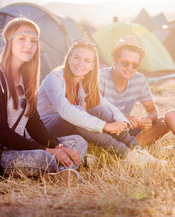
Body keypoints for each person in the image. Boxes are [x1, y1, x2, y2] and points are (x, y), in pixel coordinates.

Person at [0, 17, 86, 182]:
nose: (29, 44)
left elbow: (33, 122)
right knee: (46, 159)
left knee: (77, 142)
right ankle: (63, 168)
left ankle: (60, 174)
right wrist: (48, 151)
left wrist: (56, 146)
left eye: (34, 40)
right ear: (9, 42)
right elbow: (0, 132)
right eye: (22, 39)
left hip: (21, 146)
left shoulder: (26, 77)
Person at [37, 39, 165, 164]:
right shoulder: (55, 78)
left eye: (87, 61)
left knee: (101, 110)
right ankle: (126, 154)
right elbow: (66, 111)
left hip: (70, 131)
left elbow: (105, 104)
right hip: (45, 131)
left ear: (92, 66)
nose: (81, 63)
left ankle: (138, 150)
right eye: (76, 58)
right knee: (78, 112)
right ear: (69, 57)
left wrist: (123, 121)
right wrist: (105, 126)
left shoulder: (82, 82)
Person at [99, 36, 169, 147]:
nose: (130, 68)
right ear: (115, 61)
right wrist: (122, 116)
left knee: (164, 122)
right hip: (104, 129)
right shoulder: (101, 77)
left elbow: (152, 110)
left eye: (135, 65)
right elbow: (92, 112)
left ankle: (130, 148)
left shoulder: (139, 79)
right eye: (125, 63)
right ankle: (134, 148)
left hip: (124, 130)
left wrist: (148, 119)